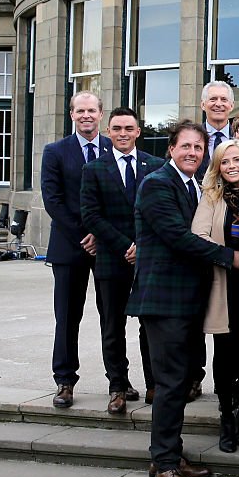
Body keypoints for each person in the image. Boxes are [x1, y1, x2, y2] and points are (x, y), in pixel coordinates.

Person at [128, 120, 239, 477]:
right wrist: (231, 257)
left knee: (179, 381)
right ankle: (165, 465)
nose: (193, 153)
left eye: (199, 147)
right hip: (164, 300)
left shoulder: (196, 186)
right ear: (171, 149)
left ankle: (169, 454)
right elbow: (179, 238)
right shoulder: (156, 185)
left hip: (189, 301)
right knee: (170, 383)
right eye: (186, 147)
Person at [80, 106, 161, 413]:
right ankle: (117, 386)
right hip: (112, 260)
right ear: (108, 132)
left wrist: (142, 244)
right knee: (112, 325)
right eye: (117, 129)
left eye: (129, 128)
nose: (123, 134)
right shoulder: (95, 169)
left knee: (149, 326)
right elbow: (91, 215)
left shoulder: (154, 166)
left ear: (138, 132)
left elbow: (160, 211)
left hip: (147, 260)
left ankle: (154, 384)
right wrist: (125, 244)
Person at [42, 90, 112, 409]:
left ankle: (119, 382)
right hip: (69, 247)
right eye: (79, 110)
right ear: (72, 114)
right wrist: (86, 234)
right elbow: (53, 201)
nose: (86, 115)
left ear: (101, 114)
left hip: (108, 248)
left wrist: (102, 235)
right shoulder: (55, 151)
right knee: (67, 317)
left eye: (91, 110)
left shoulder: (114, 149)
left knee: (112, 316)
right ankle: (65, 381)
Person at [192, 140, 239, 453]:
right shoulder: (212, 196)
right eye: (224, 162)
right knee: (226, 353)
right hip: (225, 284)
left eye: (236, 160)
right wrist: (231, 257)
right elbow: (199, 237)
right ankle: (226, 416)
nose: (231, 166)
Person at [199, 81, 235, 174]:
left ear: (231, 106)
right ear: (203, 105)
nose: (218, 104)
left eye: (224, 99)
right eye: (213, 99)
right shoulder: (193, 138)